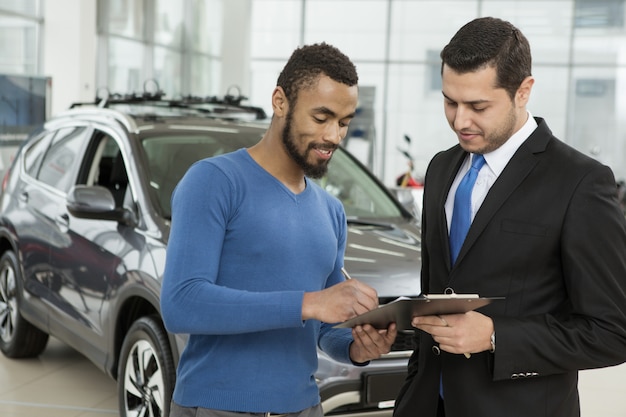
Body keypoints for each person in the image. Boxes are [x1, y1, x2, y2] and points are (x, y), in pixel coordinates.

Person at [393, 16, 626, 417]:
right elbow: (438, 289)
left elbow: (613, 332)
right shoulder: (440, 169)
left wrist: (497, 336)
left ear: (524, 91)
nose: (460, 121)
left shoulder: (580, 183)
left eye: (478, 106)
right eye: (450, 101)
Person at [160, 42, 397, 417]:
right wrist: (309, 302)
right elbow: (182, 303)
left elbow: (324, 329)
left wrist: (356, 347)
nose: (334, 136)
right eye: (321, 118)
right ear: (280, 101)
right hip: (215, 407)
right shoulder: (213, 181)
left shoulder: (331, 211)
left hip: (305, 407)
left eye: (344, 123)